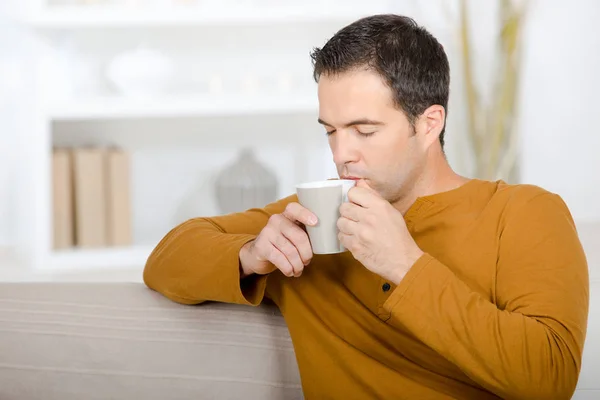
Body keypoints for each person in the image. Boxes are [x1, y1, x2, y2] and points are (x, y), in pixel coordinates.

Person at [143, 14, 589, 400]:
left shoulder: (524, 213)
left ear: (429, 123)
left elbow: (549, 379)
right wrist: (251, 255)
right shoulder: (312, 220)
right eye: (331, 131)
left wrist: (405, 265)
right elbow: (165, 258)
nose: (342, 154)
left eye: (364, 130)